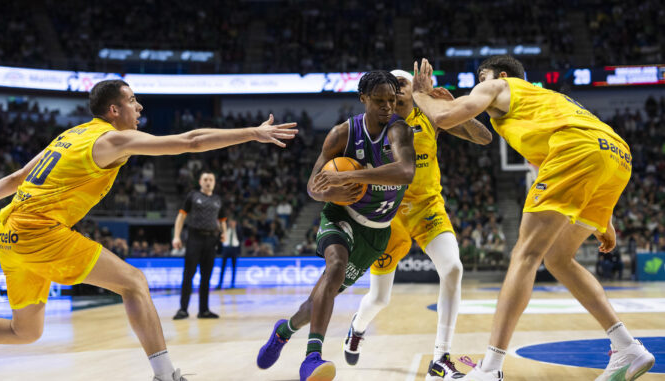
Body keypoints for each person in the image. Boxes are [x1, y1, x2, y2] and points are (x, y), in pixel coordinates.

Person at [0, 79, 297, 381]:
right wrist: (253, 132)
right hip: (37, 232)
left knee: (25, 331)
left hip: (7, 235)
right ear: (113, 110)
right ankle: (165, 376)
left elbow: (17, 179)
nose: (139, 106)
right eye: (132, 100)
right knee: (134, 282)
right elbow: (191, 141)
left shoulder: (69, 135)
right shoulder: (111, 139)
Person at [412, 56, 655, 380]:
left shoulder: (500, 86)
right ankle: (627, 346)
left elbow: (443, 116)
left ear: (499, 75)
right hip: (616, 156)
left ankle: (490, 369)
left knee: (525, 255)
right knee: (558, 259)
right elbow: (579, 153)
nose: (477, 86)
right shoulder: (545, 103)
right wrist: (604, 217)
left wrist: (420, 94)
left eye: (479, 79)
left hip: (578, 151)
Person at [256, 70, 416, 381]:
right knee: (334, 267)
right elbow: (313, 188)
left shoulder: (400, 131)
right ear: (363, 99)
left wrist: (348, 176)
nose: (387, 106)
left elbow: (406, 171)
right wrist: (329, 191)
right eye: (380, 100)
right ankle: (312, 358)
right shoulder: (341, 134)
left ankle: (284, 330)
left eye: (392, 101)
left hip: (376, 231)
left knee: (315, 302)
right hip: (341, 215)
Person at [342, 70, 491, 381]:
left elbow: (483, 137)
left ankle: (440, 358)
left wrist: (451, 106)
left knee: (453, 269)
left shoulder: (430, 117)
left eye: (402, 84)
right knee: (381, 298)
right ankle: (357, 326)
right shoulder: (374, 124)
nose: (395, 90)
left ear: (413, 91)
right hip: (387, 213)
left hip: (427, 208)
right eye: (390, 87)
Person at [172, 171, 226, 319]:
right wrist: (176, 236)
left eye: (211, 179)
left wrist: (224, 233)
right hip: (194, 238)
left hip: (211, 240)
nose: (208, 182)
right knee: (188, 274)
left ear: (214, 183)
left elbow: (222, 220)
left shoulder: (218, 200)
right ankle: (183, 309)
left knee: (206, 277)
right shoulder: (193, 196)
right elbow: (181, 216)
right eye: (205, 179)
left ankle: (204, 310)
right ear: (200, 182)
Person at [216, 216, 242, 289]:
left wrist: (235, 229)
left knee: (234, 267)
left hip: (234, 249)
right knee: (223, 267)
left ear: (235, 223)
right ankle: (220, 284)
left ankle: (232, 284)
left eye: (233, 222)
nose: (231, 223)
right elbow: (220, 236)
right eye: (230, 221)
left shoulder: (238, 229)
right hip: (226, 249)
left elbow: (240, 238)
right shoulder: (225, 228)